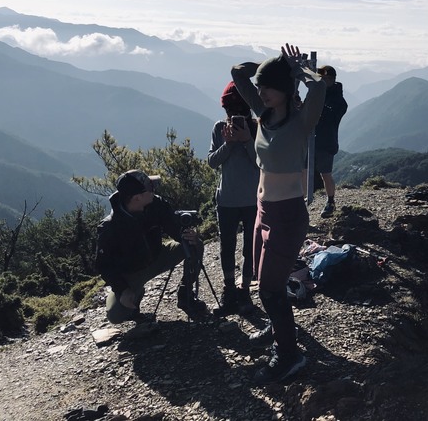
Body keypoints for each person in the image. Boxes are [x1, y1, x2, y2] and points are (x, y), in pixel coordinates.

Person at [231, 43, 326, 385]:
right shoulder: (262, 113)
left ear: (286, 90)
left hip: (287, 215)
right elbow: (237, 73)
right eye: (261, 87)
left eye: (269, 87)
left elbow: (318, 86)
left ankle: (290, 355)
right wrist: (275, 66)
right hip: (262, 210)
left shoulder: (302, 121)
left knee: (270, 289)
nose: (262, 92)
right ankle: (278, 327)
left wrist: (296, 71)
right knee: (262, 281)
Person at [96, 169, 208, 323]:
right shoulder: (110, 227)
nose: (154, 192)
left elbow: (175, 229)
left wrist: (188, 235)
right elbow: (104, 265)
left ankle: (185, 294)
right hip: (132, 273)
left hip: (157, 256)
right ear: (137, 198)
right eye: (150, 189)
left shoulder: (156, 205)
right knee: (116, 316)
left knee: (195, 245)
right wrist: (122, 290)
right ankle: (134, 298)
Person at [208, 81, 259, 316]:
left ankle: (245, 288)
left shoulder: (259, 128)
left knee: (250, 246)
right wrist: (228, 144)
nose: (233, 116)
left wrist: (248, 141)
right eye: (230, 112)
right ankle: (230, 289)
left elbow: (263, 164)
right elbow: (212, 162)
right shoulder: (220, 129)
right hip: (227, 199)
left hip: (251, 199)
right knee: (226, 246)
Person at [314, 65, 348, 217]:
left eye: (326, 79)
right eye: (321, 78)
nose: (323, 81)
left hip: (325, 142)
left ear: (333, 80)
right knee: (303, 171)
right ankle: (300, 202)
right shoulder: (317, 94)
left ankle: (330, 201)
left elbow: (330, 115)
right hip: (310, 139)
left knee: (325, 173)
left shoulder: (339, 101)